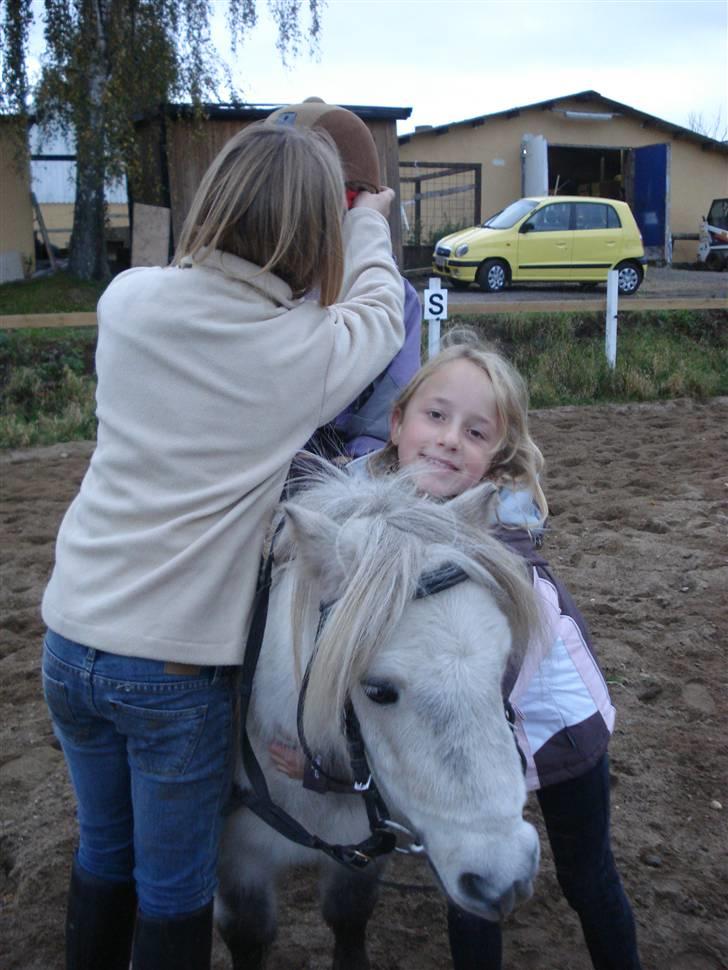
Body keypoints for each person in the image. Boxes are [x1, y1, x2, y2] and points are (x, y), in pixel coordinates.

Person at [40, 121, 405, 970]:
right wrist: (370, 219)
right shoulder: (301, 352)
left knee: (104, 856)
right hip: (170, 670)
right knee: (173, 893)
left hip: (69, 639)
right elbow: (382, 313)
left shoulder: (125, 302)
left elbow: (199, 293)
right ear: (318, 234)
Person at [271, 332, 643, 970]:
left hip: (555, 729)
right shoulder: (373, 509)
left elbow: (477, 683)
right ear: (396, 422)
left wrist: (328, 774)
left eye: (475, 433)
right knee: (465, 888)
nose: (449, 439)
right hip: (473, 741)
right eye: (436, 416)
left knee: (589, 880)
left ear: (497, 460)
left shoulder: (500, 534)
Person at [266, 97, 422, 459]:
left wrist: (357, 465)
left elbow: (387, 410)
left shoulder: (399, 298)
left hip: (344, 465)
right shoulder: (255, 288)